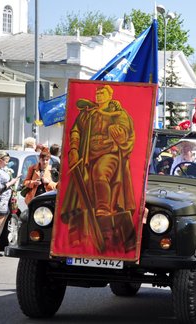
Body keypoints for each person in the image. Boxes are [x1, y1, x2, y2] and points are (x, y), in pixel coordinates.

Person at [62, 84, 136, 254]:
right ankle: (80, 240)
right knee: (82, 193)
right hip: (87, 156)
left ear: (110, 95)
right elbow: (76, 131)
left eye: (102, 92)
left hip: (109, 154)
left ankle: (103, 209)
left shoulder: (118, 113)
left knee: (100, 174)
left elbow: (126, 131)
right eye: (97, 92)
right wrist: (73, 148)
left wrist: (119, 133)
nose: (99, 95)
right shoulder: (87, 113)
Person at [0, 151, 20, 256]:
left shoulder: (1, 170)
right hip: (0, 201)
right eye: (6, 161)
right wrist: (12, 182)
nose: (7, 163)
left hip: (5, 201)